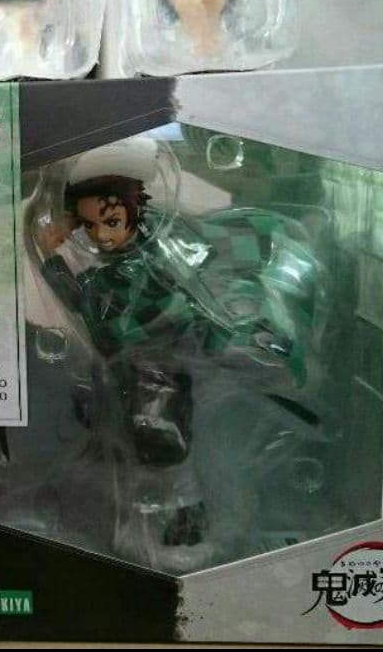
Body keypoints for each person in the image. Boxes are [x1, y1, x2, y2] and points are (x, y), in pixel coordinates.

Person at [37, 139, 317, 570]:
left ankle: (187, 522)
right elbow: (91, 312)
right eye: (91, 227)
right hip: (144, 373)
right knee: (151, 449)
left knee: (167, 448)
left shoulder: (156, 264)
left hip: (171, 371)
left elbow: (119, 320)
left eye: (111, 222)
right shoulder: (118, 273)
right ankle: (169, 520)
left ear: (135, 213)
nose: (101, 235)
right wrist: (53, 252)